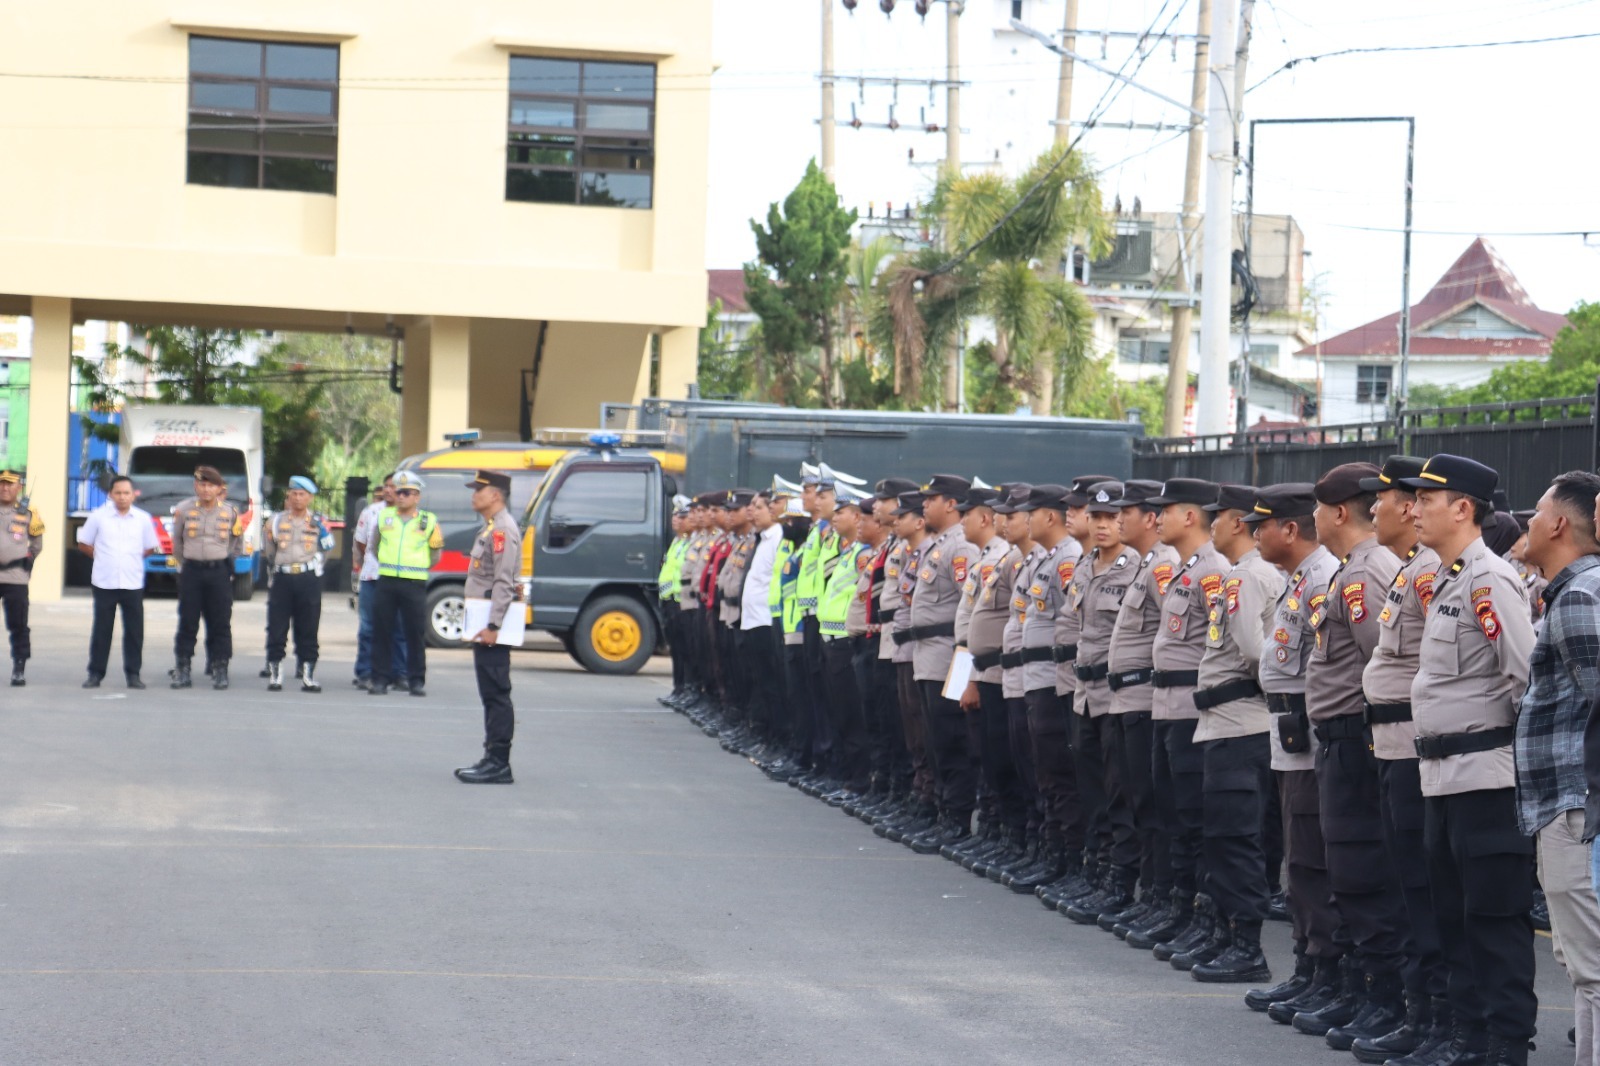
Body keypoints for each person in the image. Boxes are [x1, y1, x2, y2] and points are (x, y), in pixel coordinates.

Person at [1404, 454, 1537, 1066]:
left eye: (1428, 500)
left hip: (1485, 778)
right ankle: (1468, 1036)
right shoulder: (1450, 575)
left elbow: (1524, 680)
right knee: (1453, 917)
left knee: (1492, 918)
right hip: (1440, 778)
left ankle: (1506, 1044)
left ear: (1463, 508)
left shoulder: (1490, 581)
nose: (1415, 510)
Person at [1297, 463, 1409, 1044]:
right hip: (1340, 738)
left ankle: (1385, 998)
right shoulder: (1353, 571)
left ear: (1338, 511)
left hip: (1356, 740)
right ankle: (1366, 991)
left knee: (1362, 870)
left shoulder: (1366, 574)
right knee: (1347, 870)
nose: (1311, 518)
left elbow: (1379, 663)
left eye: (1317, 507)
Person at [1348, 455, 1449, 1064]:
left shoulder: (1435, 572)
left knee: (1421, 886)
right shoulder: (1415, 567)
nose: (1380, 508)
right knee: (1406, 884)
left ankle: (1432, 1014)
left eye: (1386, 498)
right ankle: (1419, 1010)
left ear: (1414, 504)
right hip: (1392, 746)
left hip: (1417, 749)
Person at [1240, 484, 1342, 1011]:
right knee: (1299, 860)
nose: (1255, 534)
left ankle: (1323, 968)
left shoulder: (1323, 577)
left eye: (1264, 524)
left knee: (1310, 858)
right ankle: (1307, 961)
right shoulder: (1296, 578)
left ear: (1291, 529)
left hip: (1310, 733)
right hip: (1288, 732)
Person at [1515, 471, 1600, 1063]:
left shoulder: (1577, 596)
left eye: (1537, 511)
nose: (1528, 521)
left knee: (1590, 964)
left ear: (1560, 524)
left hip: (1575, 804)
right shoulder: (1572, 591)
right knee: (1580, 962)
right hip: (1567, 802)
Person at [1187, 483, 1278, 980]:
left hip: (1241, 725)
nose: (1212, 524)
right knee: (1223, 834)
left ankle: (1247, 945)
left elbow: (1256, 654)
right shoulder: (1244, 576)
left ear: (1237, 523)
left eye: (1218, 517)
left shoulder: (1247, 579)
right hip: (1227, 724)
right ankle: (1227, 931)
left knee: (1236, 836)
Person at [1141, 478, 1228, 956]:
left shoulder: (1212, 571)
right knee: (1172, 811)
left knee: (1194, 817)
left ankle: (1201, 913)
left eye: (1166, 511)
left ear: (1190, 516)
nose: (1157, 519)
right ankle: (1179, 908)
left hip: (1190, 710)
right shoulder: (1184, 568)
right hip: (1166, 708)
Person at [455, 470, 524, 784]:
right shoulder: (492, 527)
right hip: (484, 620)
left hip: (491, 624)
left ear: (495, 495)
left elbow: (504, 582)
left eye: (479, 490)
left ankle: (499, 763)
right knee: (490, 691)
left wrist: (494, 624)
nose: (474, 495)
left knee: (496, 691)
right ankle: (490, 757)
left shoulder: (502, 530)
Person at [77, 474, 159, 688]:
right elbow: (84, 543)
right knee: (101, 631)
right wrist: (103, 558)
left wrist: (129, 559)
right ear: (111, 494)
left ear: (133, 495)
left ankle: (133, 674)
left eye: (126, 493)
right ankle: (95, 673)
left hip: (132, 583)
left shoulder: (142, 518)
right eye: (118, 493)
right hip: (104, 582)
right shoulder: (98, 516)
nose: (122, 497)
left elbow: (149, 546)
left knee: (134, 632)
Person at [369, 470, 443, 697]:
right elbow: (374, 545)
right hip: (387, 580)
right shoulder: (384, 517)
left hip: (414, 582)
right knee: (382, 631)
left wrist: (418, 567)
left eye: (406, 493)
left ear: (417, 496)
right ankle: (380, 679)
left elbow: (436, 553)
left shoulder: (428, 521)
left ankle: (416, 680)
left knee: (414, 633)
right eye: (398, 492)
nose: (400, 496)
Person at [169, 465, 243, 690]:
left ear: (219, 488)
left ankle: (220, 668)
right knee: (187, 621)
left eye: (211, 485)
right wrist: (187, 562)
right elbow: (177, 543)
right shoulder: (183, 510)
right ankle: (183, 668)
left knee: (221, 621)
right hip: (192, 571)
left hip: (218, 572)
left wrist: (223, 561)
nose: (206, 489)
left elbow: (236, 543)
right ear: (195, 486)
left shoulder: (230, 512)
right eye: (202, 484)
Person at [263, 475, 334, 693]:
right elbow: (269, 551)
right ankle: (275, 674)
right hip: (283, 577)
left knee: (308, 627)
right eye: (293, 493)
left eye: (302, 494)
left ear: (310, 497)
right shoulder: (275, 521)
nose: (297, 498)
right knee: (277, 627)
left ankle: (308, 675)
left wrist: (315, 566)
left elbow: (327, 547)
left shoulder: (318, 522)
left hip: (307, 578)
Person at [352, 475, 409, 690]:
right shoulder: (371, 512)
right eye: (386, 486)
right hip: (372, 577)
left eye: (393, 487)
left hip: (399, 578)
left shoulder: (411, 516)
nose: (388, 490)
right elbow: (360, 543)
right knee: (368, 627)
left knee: (399, 627)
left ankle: (399, 672)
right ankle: (365, 672)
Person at [0, 470, 43, 685]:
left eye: (10, 484)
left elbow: (36, 544)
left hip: (15, 577)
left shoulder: (29, 512)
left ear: (19, 488)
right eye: (2, 484)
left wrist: (26, 563)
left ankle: (19, 667)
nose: (5, 488)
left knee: (18, 624)